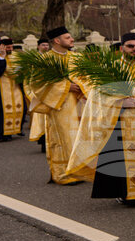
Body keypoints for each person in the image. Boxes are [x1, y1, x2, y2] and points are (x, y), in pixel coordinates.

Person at [65, 33, 135, 206]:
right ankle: (125, 193)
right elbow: (96, 96)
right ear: (122, 48)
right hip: (121, 122)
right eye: (130, 46)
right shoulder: (109, 70)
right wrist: (119, 102)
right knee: (121, 158)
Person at [26, 26, 90, 185]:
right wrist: (66, 87)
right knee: (62, 138)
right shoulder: (44, 60)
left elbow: (88, 78)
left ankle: (80, 171)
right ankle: (63, 174)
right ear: (57, 40)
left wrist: (83, 87)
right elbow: (37, 84)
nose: (72, 40)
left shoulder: (76, 58)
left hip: (80, 103)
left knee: (79, 138)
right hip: (60, 105)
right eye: (68, 37)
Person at [0, 37, 24, 140]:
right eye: (8, 47)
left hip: (15, 87)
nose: (10, 49)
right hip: (0, 89)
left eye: (11, 47)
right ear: (1, 46)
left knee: (20, 108)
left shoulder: (17, 56)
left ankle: (15, 130)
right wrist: (2, 58)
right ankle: (1, 133)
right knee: (0, 112)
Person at [26, 39, 50, 151]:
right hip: (39, 93)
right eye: (43, 45)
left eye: (47, 45)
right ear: (38, 46)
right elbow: (28, 79)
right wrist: (30, 94)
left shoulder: (52, 58)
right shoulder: (33, 60)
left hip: (52, 93)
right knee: (41, 119)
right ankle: (43, 142)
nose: (45, 47)